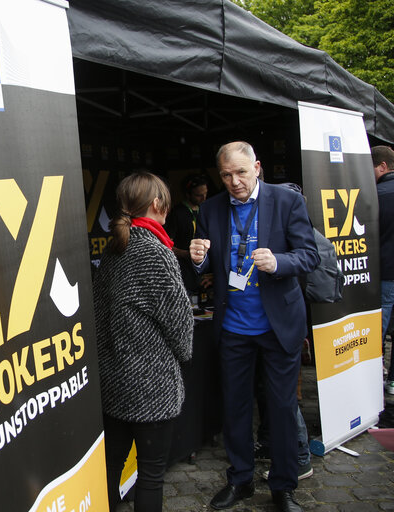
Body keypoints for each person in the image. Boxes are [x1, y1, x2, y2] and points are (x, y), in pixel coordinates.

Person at [189, 142, 319, 512]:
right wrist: (199, 260)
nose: (234, 182)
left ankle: (283, 487)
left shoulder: (286, 201)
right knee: (235, 406)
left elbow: (309, 254)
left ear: (257, 167)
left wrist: (278, 261)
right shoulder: (211, 207)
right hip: (233, 326)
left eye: (241, 172)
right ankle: (241, 480)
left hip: (278, 325)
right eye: (226, 175)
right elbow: (205, 261)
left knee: (280, 408)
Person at [93, 172, 194, 512]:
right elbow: (180, 323)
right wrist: (183, 354)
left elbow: (98, 313)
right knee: (151, 474)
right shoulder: (153, 250)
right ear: (156, 204)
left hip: (114, 380)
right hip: (150, 384)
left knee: (111, 466)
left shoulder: (114, 248)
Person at [373, 145, 394, 395]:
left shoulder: (376, 194)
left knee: (377, 329)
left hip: (385, 273)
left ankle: (375, 383)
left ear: (382, 167)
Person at [166, 174, 209, 292]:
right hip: (183, 270)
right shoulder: (177, 213)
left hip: (205, 271)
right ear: (187, 194)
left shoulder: (207, 211)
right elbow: (166, 245)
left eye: (205, 194)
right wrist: (187, 254)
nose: (204, 198)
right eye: (199, 195)